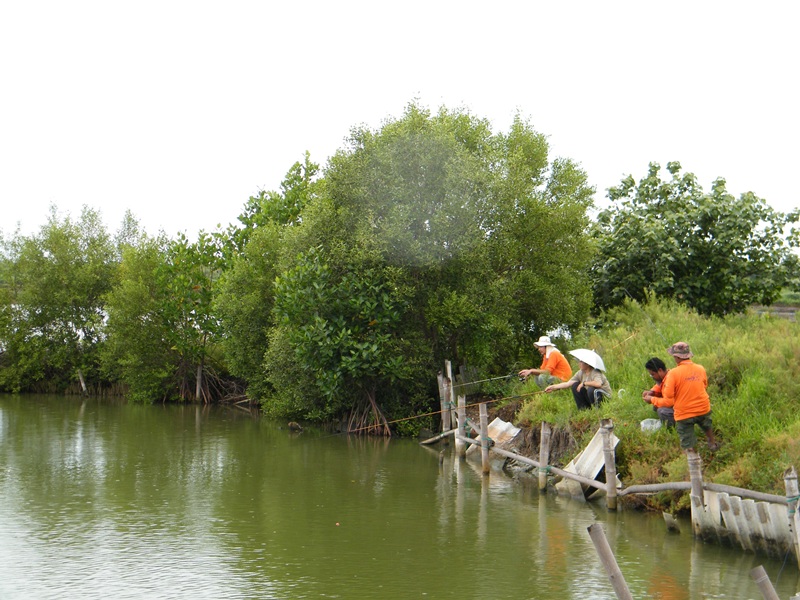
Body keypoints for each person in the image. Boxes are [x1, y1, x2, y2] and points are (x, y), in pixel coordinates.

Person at [661, 341, 719, 453]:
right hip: (703, 408)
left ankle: (692, 458)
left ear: (676, 357)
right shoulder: (700, 368)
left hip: (684, 414)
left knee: (687, 439)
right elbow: (705, 385)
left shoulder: (673, 373)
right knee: (706, 424)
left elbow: (668, 396)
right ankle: (712, 444)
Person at [544, 353, 612, 410]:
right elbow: (567, 384)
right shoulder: (580, 372)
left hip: (604, 397)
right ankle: (584, 409)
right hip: (592, 396)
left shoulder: (595, 372)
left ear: (587, 364)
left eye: (581, 362)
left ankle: (598, 409)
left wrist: (584, 383)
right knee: (575, 385)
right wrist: (552, 387)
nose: (579, 363)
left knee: (591, 389)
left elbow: (598, 384)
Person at [642, 357, 675, 427]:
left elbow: (668, 402)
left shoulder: (670, 379)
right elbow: (660, 385)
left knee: (662, 411)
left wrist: (651, 399)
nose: (652, 377)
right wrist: (652, 392)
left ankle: (671, 427)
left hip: (684, 407)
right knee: (656, 403)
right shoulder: (666, 376)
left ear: (660, 370)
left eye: (653, 374)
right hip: (676, 403)